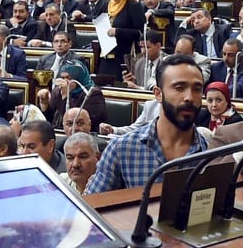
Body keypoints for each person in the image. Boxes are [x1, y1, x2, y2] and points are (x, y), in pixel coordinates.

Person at [87, 54, 206, 192]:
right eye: (179, 88)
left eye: (197, 89)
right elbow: (91, 207)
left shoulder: (210, 151)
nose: (189, 97)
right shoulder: (121, 149)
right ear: (158, 94)